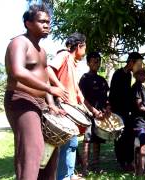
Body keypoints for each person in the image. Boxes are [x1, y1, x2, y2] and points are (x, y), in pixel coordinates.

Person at [4, 4, 68, 180]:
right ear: (28, 23)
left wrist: (50, 104)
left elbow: (45, 78)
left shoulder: (42, 51)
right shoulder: (18, 43)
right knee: (33, 150)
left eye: (49, 22)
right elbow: (17, 71)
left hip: (40, 104)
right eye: (42, 21)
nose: (47, 25)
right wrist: (49, 89)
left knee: (51, 150)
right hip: (21, 100)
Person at [48, 32, 101, 180]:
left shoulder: (73, 64)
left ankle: (69, 175)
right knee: (66, 145)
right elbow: (49, 69)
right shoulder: (64, 55)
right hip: (62, 110)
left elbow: (79, 94)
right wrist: (59, 87)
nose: (85, 51)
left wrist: (93, 110)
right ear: (79, 46)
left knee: (71, 144)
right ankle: (63, 176)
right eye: (85, 47)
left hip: (71, 111)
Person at [109, 52, 144, 171]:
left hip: (128, 111)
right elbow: (113, 94)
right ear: (131, 62)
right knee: (120, 137)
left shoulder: (130, 75)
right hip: (118, 111)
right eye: (138, 64)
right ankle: (122, 162)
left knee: (129, 136)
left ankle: (129, 161)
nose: (139, 67)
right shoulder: (118, 74)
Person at [78, 52, 111, 175]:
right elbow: (82, 99)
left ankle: (95, 166)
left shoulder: (102, 80)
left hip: (101, 116)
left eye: (98, 61)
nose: (97, 63)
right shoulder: (85, 79)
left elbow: (107, 98)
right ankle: (85, 169)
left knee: (98, 141)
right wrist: (94, 111)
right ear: (88, 63)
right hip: (88, 115)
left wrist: (108, 107)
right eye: (94, 61)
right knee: (87, 141)